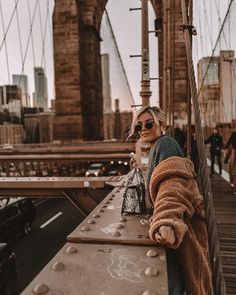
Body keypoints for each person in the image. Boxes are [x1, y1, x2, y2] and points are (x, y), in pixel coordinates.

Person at [128, 106, 213, 295]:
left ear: (162, 125)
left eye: (149, 123)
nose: (143, 129)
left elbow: (172, 185)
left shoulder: (165, 145)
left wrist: (167, 218)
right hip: (181, 226)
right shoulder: (158, 147)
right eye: (138, 126)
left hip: (182, 229)